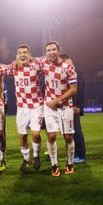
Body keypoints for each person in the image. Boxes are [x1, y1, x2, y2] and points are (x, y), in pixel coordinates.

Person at [41, 41, 77, 176]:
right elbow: (28, 59)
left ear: (58, 50)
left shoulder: (69, 67)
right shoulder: (44, 63)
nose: (51, 52)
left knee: (68, 137)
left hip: (66, 105)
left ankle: (70, 163)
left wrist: (57, 100)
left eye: (53, 49)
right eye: (48, 50)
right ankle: (54, 165)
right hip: (50, 106)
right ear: (46, 53)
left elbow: (73, 89)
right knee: (51, 135)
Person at [11, 45, 44, 173]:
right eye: (19, 53)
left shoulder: (37, 65)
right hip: (22, 107)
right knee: (23, 136)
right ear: (16, 56)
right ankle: (26, 159)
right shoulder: (13, 67)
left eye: (25, 52)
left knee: (35, 134)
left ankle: (36, 156)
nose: (22, 55)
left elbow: (47, 59)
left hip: (36, 105)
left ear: (30, 55)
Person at [60, 55, 86, 163]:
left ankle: (80, 155)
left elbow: (78, 90)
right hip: (69, 106)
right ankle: (76, 153)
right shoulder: (71, 71)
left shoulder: (75, 72)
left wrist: (76, 106)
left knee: (75, 131)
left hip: (73, 107)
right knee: (71, 131)